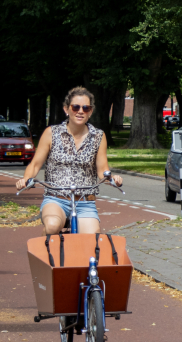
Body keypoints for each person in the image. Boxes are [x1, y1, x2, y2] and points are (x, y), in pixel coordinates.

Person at [16, 87, 123, 234]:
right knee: (52, 225)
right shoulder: (51, 133)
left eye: (86, 108)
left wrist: (112, 179)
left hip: (84, 201)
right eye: (76, 107)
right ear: (66, 109)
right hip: (56, 199)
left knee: (93, 237)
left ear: (90, 112)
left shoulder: (98, 136)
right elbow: (34, 165)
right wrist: (26, 180)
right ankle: (45, 250)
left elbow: (102, 171)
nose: (80, 111)